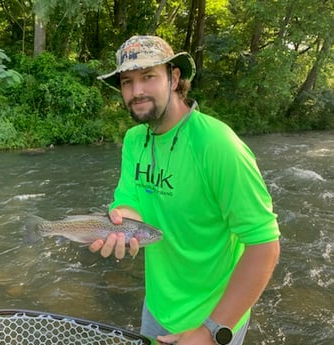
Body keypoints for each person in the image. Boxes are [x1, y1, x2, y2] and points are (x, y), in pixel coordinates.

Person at [89, 35, 280, 345]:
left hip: (215, 319)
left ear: (174, 78)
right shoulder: (135, 139)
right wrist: (124, 218)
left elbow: (264, 246)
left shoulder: (218, 146)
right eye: (127, 81)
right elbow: (128, 199)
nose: (136, 91)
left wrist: (211, 331)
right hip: (157, 308)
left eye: (148, 76)